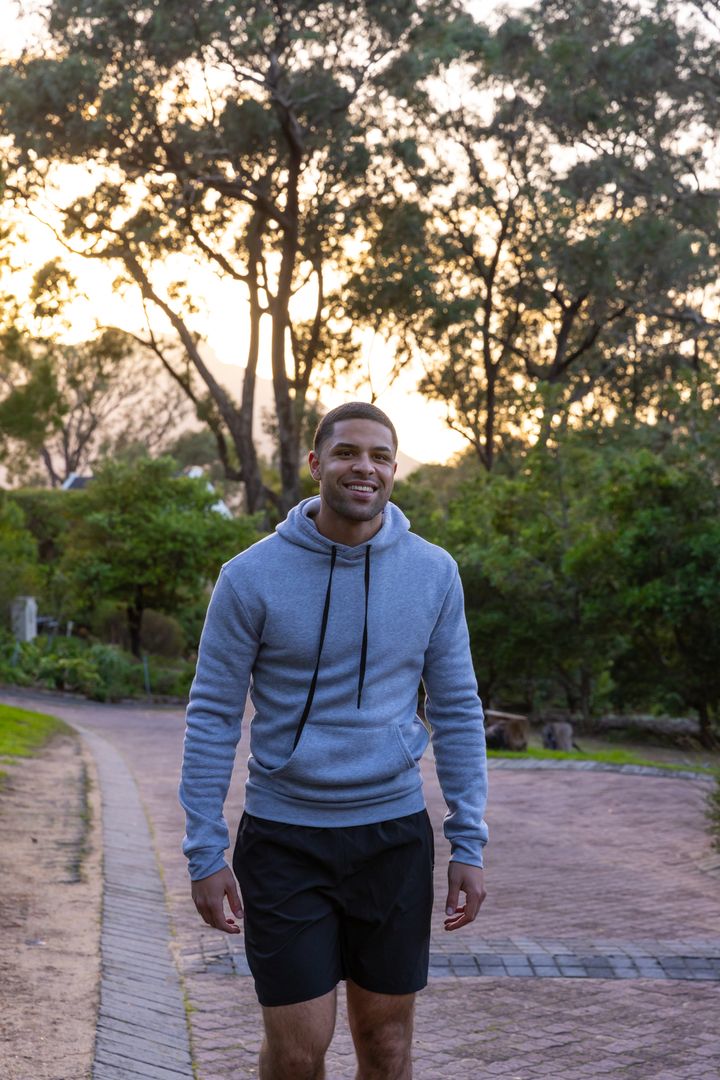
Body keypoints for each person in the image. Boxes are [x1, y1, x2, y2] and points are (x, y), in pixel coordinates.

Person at [179, 401, 488, 1080]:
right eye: (347, 452)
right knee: (297, 1052)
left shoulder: (434, 572)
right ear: (317, 464)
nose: (364, 468)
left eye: (380, 456)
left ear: (394, 471)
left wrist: (469, 842)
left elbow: (458, 708)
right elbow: (213, 713)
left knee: (387, 1046)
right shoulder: (249, 577)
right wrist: (204, 849)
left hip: (393, 839)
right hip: (285, 839)